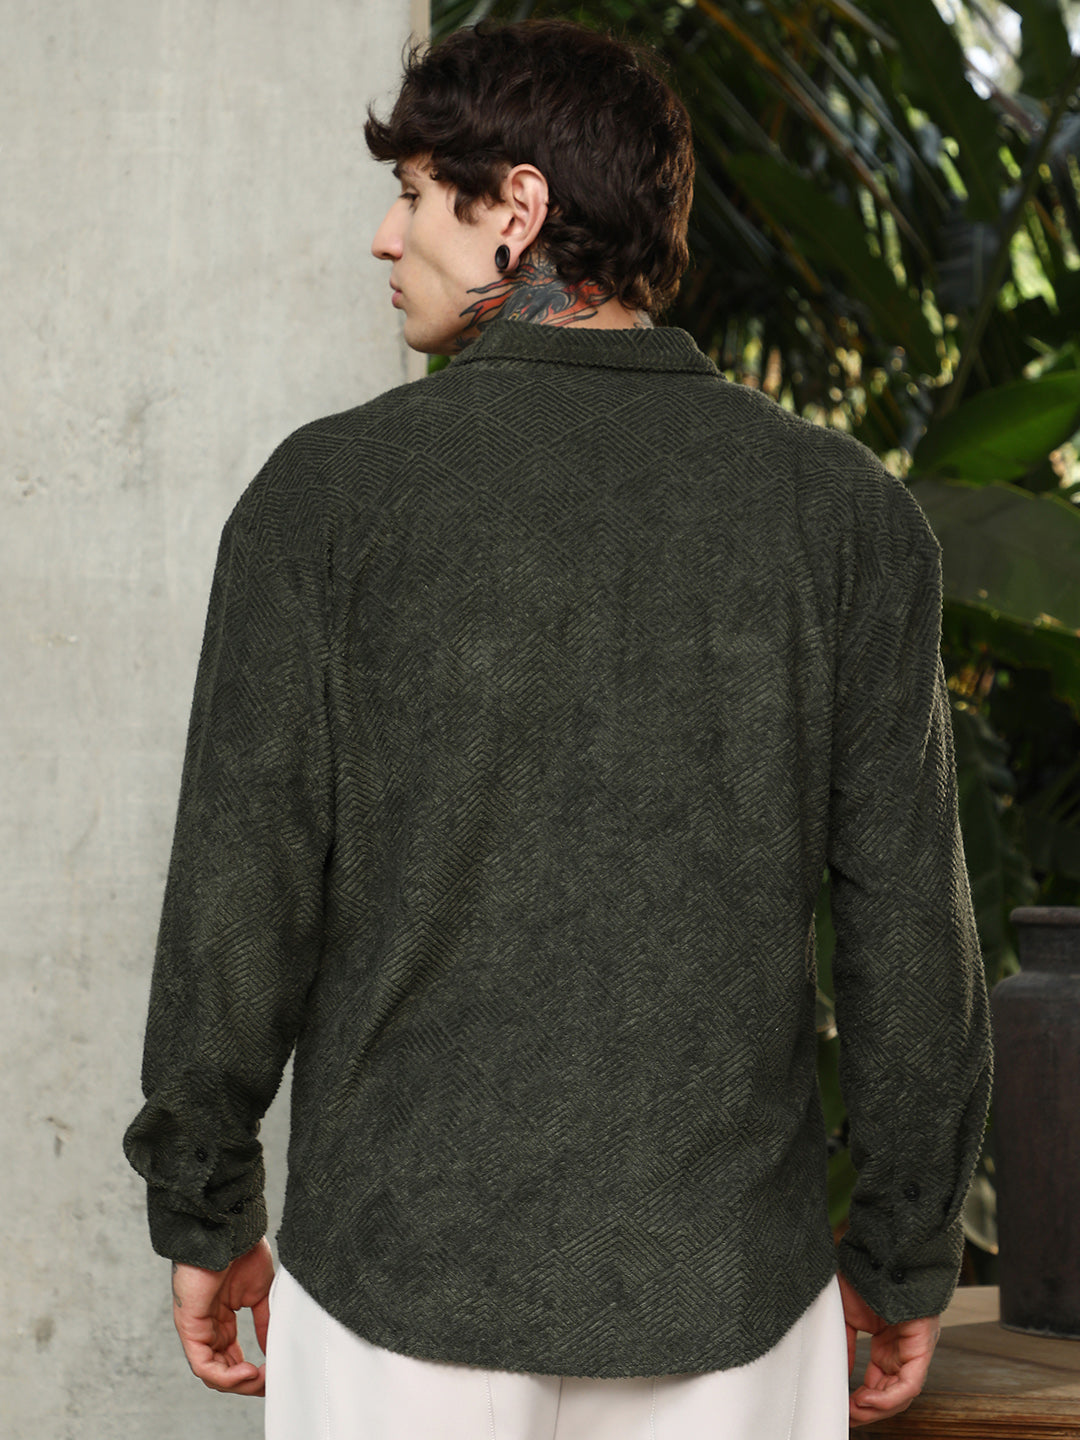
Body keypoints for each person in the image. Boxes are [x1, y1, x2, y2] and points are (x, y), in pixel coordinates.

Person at [124, 19, 992, 1438]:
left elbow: (242, 890)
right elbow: (911, 938)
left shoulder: (329, 498)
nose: (386, 235)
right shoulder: (842, 517)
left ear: (516, 209)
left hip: (397, 1290)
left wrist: (205, 1207)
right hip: (732, 1298)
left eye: (416, 194)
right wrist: (903, 1250)